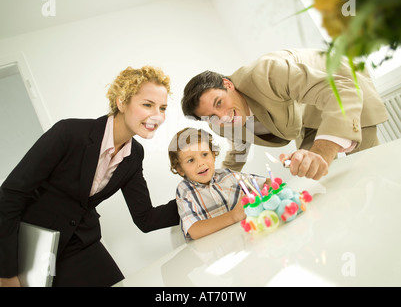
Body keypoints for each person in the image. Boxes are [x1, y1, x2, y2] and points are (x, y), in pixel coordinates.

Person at [0, 66, 180, 287]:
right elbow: (9, 196)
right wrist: (6, 274)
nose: (157, 116)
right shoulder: (68, 133)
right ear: (121, 102)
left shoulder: (134, 154)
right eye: (147, 104)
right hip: (35, 250)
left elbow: (145, 217)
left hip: (83, 244)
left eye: (162, 108)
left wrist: (197, 200)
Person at [181, 48, 388, 180]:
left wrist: (322, 150)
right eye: (211, 116)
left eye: (219, 102)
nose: (223, 117)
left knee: (371, 172)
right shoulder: (218, 123)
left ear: (228, 85)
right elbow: (239, 147)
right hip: (306, 122)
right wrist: (217, 181)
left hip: (342, 90)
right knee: (317, 179)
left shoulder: (266, 74)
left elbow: (339, 90)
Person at [168, 127, 269, 240]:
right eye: (191, 160)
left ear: (213, 155)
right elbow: (194, 231)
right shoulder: (185, 190)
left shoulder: (227, 175)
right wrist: (234, 216)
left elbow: (266, 183)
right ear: (180, 169)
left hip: (246, 240)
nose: (201, 163)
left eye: (205, 154)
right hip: (214, 251)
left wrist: (260, 196)